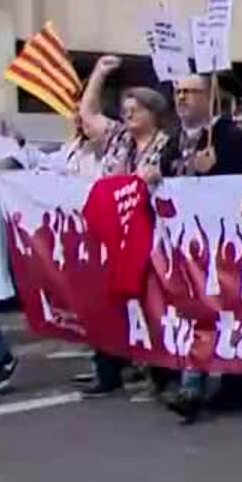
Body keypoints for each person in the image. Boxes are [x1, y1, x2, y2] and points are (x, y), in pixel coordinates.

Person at [159, 72, 242, 423]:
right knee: (197, 312)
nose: (182, 97)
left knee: (230, 314)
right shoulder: (172, 143)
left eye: (191, 91)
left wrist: (216, 171)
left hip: (228, 243)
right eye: (178, 92)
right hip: (187, 245)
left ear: (209, 97)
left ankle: (232, 385)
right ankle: (191, 385)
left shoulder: (235, 139)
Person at [76, 57, 173, 400]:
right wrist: (100, 73)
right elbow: (87, 115)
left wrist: (157, 178)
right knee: (108, 303)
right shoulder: (118, 138)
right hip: (114, 239)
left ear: (153, 113)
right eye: (125, 109)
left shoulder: (166, 144)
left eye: (136, 109)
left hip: (151, 238)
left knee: (150, 305)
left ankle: (158, 376)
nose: (128, 115)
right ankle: (108, 370)